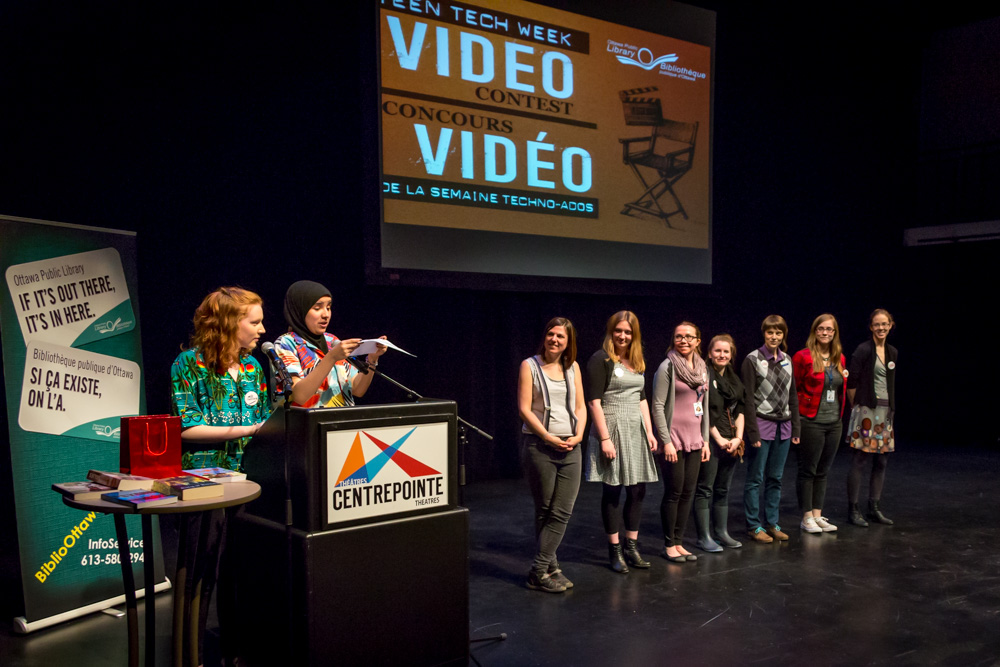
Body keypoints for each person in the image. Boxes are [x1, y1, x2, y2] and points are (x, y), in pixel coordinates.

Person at [170, 286, 271, 666]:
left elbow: (265, 419)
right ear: (229, 323)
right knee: (200, 573)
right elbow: (187, 427)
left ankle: (235, 653)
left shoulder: (253, 366)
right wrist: (249, 430)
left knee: (240, 572)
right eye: (254, 322)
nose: (262, 330)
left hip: (249, 481)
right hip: (204, 484)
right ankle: (189, 655)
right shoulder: (188, 364)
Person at [584, 311, 659, 574]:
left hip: (635, 429)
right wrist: (605, 438)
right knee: (613, 490)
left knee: (637, 490)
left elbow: (642, 398)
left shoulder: (637, 361)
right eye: (619, 331)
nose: (623, 336)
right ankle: (614, 549)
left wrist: (649, 431)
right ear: (611, 331)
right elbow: (594, 402)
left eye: (628, 332)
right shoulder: (601, 359)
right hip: (612, 427)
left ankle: (631, 546)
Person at [517, 317, 587, 593]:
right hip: (539, 446)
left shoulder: (573, 367)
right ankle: (545, 569)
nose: (554, 340)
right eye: (551, 334)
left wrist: (579, 435)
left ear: (568, 342)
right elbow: (524, 409)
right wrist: (547, 437)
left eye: (560, 336)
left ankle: (542, 568)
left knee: (562, 511)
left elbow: (580, 407)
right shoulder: (529, 366)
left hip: (571, 447)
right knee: (545, 510)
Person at [273, 280, 385, 407]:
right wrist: (331, 357)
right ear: (300, 310)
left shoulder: (331, 340)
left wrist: (372, 359)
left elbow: (357, 389)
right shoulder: (286, 343)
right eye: (317, 308)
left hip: (343, 418)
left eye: (328, 308)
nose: (326, 314)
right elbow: (299, 396)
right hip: (308, 419)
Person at [652, 322, 710, 562]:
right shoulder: (667, 366)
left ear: (698, 341)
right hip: (674, 439)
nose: (683, 340)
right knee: (674, 492)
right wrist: (665, 441)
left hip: (695, 439)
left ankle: (679, 542)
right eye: (678, 336)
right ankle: (668, 545)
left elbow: (704, 406)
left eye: (688, 337)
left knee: (688, 492)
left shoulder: (702, 367)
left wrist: (705, 440)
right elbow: (657, 405)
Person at [742, 315, 801, 543]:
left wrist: (796, 428)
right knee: (756, 478)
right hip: (762, 424)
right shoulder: (753, 359)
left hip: (784, 426)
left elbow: (792, 395)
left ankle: (772, 523)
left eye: (778, 333)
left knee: (775, 477)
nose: (774, 337)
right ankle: (753, 525)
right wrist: (752, 432)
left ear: (783, 335)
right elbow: (748, 399)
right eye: (770, 332)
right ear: (764, 333)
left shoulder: (787, 359)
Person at [792, 314, 848, 534]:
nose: (825, 333)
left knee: (823, 471)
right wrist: (796, 422)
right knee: (808, 470)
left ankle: (817, 515)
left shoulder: (839, 358)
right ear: (815, 331)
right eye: (821, 329)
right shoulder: (802, 357)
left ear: (834, 333)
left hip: (834, 422)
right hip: (811, 421)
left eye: (829, 329)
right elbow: (794, 390)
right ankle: (806, 517)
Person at [694, 334, 746, 551]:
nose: (722, 355)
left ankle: (721, 533)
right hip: (711, 439)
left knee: (723, 488)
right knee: (705, 488)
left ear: (731, 355)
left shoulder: (734, 379)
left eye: (726, 351)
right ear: (709, 353)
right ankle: (703, 537)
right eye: (718, 351)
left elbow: (741, 410)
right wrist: (719, 439)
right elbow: (702, 411)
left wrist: (738, 438)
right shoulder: (704, 376)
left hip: (731, 440)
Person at [845, 309, 897, 526]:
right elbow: (852, 381)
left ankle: (874, 507)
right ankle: (853, 509)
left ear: (891, 325)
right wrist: (857, 407)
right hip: (866, 409)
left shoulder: (892, 352)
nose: (881, 328)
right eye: (877, 324)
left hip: (885, 411)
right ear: (871, 327)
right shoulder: (864, 350)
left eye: (885, 324)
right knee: (860, 458)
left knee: (882, 460)